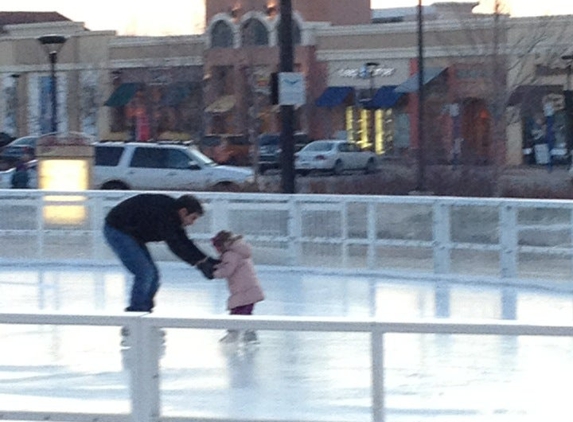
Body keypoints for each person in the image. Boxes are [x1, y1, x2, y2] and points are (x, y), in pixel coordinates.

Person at [103, 193, 219, 312]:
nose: (192, 223)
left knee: (153, 274)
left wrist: (206, 260)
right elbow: (176, 245)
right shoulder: (166, 215)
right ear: (184, 212)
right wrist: (200, 263)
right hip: (117, 230)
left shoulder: (173, 214)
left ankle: (144, 312)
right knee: (145, 272)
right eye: (193, 218)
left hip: (131, 234)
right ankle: (136, 314)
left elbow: (184, 241)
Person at [211, 230, 265, 343]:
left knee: (238, 314)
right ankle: (248, 335)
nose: (216, 250)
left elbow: (228, 270)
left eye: (217, 247)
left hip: (243, 290)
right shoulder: (239, 251)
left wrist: (213, 273)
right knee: (244, 313)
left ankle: (235, 335)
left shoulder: (230, 254)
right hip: (249, 289)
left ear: (223, 244)